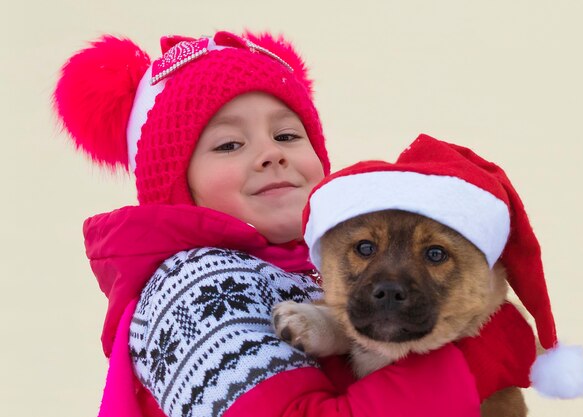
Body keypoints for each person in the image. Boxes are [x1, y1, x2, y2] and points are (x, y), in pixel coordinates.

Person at [53, 31, 524, 417]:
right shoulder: (193, 287)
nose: (271, 153)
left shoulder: (312, 264)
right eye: (229, 145)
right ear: (176, 185)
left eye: (286, 135)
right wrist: (473, 361)